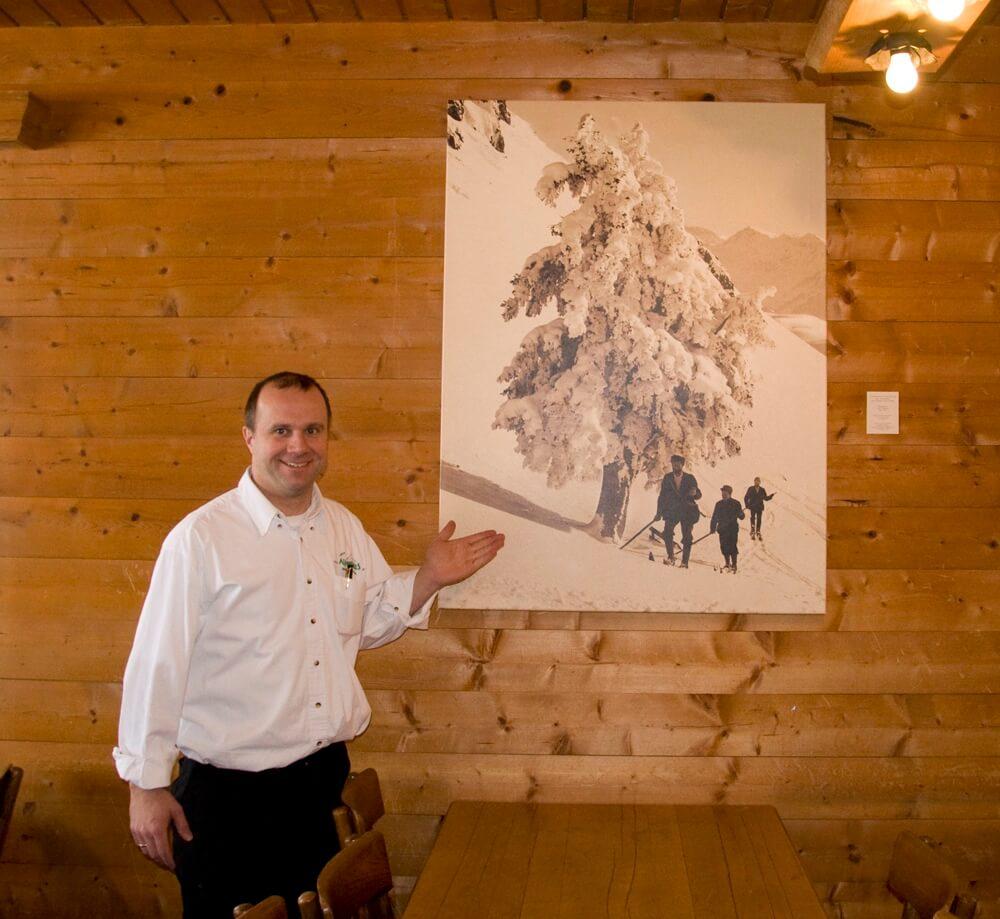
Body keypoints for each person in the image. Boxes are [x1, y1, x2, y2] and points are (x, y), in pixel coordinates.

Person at [114, 371, 504, 918]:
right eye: (281, 431)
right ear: (250, 437)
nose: (298, 446)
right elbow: (157, 663)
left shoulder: (342, 529)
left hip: (320, 786)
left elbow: (366, 617)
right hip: (228, 801)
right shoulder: (201, 540)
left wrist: (429, 578)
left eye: (312, 431)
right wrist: (145, 783)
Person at [655, 454, 702, 568]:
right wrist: (658, 512)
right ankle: (671, 557)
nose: (675, 465)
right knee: (667, 532)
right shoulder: (667, 478)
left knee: (687, 536)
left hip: (687, 511)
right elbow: (662, 496)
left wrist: (695, 493)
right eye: (674, 463)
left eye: (678, 464)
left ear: (682, 465)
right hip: (672, 511)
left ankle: (684, 562)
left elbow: (699, 495)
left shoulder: (690, 478)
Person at [710, 485, 745, 572]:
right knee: (724, 546)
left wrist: (740, 514)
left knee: (732, 546)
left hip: (732, 529)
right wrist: (712, 527)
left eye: (725, 493)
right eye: (722, 493)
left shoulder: (736, 503)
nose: (723, 495)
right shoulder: (718, 504)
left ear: (729, 494)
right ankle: (727, 563)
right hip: (722, 529)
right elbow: (714, 517)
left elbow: (742, 517)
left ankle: (734, 564)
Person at [743, 476, 775, 541]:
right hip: (752, 507)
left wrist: (771, 496)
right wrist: (747, 505)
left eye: (758, 481)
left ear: (759, 482)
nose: (756, 482)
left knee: (759, 519)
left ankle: (758, 531)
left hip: (759, 507)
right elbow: (746, 497)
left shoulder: (762, 490)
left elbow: (765, 498)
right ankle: (752, 531)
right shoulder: (750, 489)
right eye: (755, 481)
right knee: (752, 518)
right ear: (754, 482)